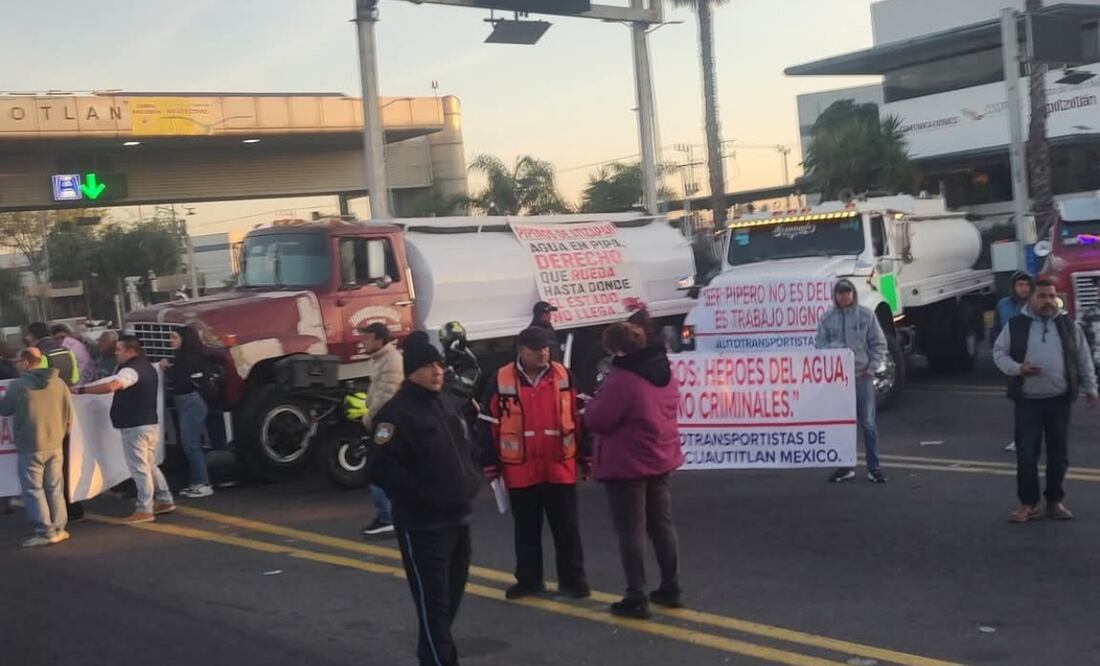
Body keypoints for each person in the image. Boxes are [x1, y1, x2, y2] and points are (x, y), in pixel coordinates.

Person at [368, 337, 482, 666]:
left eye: (439, 365)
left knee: (450, 600)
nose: (437, 372)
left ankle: (431, 654)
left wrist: (471, 478)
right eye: (428, 366)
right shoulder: (395, 414)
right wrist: (425, 495)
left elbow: (464, 445)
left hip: (458, 517)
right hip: (423, 525)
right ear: (411, 371)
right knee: (434, 606)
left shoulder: (446, 401)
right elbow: (380, 468)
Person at [481, 326, 590, 600]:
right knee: (526, 531)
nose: (543, 353)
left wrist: (587, 456)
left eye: (546, 347)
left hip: (559, 468)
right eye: (537, 348)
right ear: (521, 350)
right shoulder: (500, 379)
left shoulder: (565, 376)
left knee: (567, 530)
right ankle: (529, 581)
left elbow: (582, 417)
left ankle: (574, 582)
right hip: (520, 470)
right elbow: (487, 424)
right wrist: (489, 462)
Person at [585, 322, 684, 619]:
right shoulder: (664, 372)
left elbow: (599, 419)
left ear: (615, 348)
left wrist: (590, 406)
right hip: (659, 456)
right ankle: (670, 585)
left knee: (631, 531)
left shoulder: (622, 379)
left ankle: (636, 594)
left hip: (627, 463)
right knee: (662, 525)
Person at [993, 278, 1099, 523]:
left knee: (1058, 455)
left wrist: (1091, 388)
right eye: (1042, 296)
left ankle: (1055, 501)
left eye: (1051, 296)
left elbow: (1083, 358)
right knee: (1026, 455)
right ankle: (1028, 504)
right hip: (1028, 402)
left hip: (1059, 401)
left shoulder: (1068, 325)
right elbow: (999, 353)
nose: (1048, 301)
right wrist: (1018, 368)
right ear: (1030, 298)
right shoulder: (1016, 325)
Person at [75, 335, 175, 524]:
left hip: (134, 425)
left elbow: (113, 385)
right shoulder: (147, 367)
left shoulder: (130, 370)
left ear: (130, 351)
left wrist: (81, 390)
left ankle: (144, 508)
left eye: (119, 349)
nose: (116, 353)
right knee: (150, 464)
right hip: (149, 422)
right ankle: (164, 499)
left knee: (139, 469)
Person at [815, 279, 889, 484]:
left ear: (853, 293)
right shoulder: (827, 318)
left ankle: (874, 468)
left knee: (868, 422)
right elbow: (819, 344)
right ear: (835, 295)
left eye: (848, 292)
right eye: (841, 292)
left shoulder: (866, 315)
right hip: (839, 380)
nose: (844, 296)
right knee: (844, 424)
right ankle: (845, 467)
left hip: (861, 376)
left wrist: (871, 368)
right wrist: (838, 350)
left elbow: (879, 344)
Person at [0, 348, 73, 547]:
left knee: (33, 490)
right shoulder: (59, 383)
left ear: (25, 362)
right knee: (55, 488)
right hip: (55, 443)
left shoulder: (19, 385)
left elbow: (5, 409)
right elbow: (68, 412)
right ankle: (59, 528)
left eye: (18, 362)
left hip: (30, 444)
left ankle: (45, 532)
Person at [358, 322, 404, 537]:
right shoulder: (379, 359)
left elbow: (386, 395)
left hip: (386, 423)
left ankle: (387, 517)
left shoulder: (391, 360)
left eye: (367, 338)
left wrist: (369, 418)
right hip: (383, 421)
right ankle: (390, 515)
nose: (363, 343)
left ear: (379, 339)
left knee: (377, 468)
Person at [158, 326, 213, 499]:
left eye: (175, 337)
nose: (171, 341)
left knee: (191, 444)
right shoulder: (182, 357)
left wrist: (167, 368)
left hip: (191, 401)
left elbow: (180, 378)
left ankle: (203, 483)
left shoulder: (190, 359)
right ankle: (196, 481)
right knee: (189, 443)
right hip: (185, 401)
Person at [993, 271, 1035, 452]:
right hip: (1014, 359)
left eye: (1027, 285)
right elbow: (996, 329)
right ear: (1013, 287)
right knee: (1020, 402)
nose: (1024, 289)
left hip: (1034, 357)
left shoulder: (1036, 304)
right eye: (1020, 285)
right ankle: (1020, 440)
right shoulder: (1004, 305)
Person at [440, 321, 482, 431]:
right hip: (446, 412)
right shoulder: (442, 358)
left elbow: (468, 388)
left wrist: (450, 376)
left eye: (459, 342)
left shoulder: (468, 360)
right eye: (452, 343)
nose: (456, 346)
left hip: (466, 413)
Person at [25, 322, 79, 387]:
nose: (27, 338)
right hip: (68, 389)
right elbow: (75, 378)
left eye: (28, 335)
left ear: (32, 336)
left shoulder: (36, 354)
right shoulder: (67, 351)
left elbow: (36, 381)